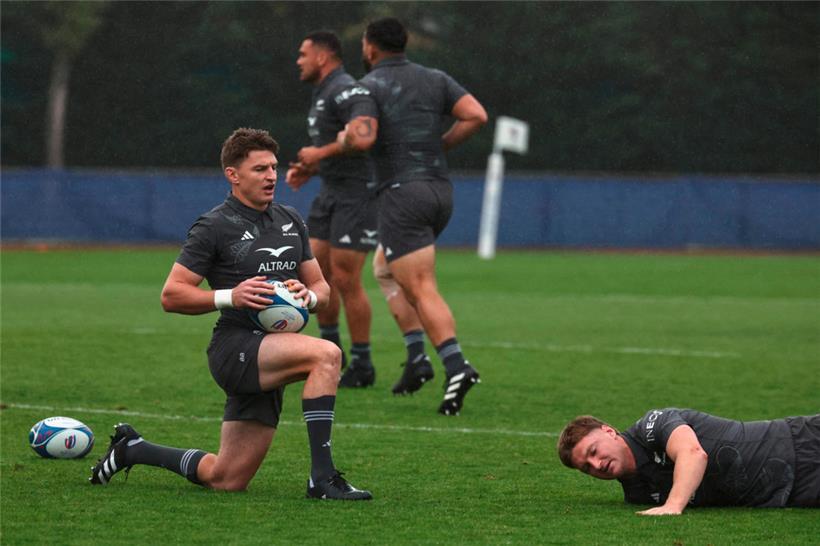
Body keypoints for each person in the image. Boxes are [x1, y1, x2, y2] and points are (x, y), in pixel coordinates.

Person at [89, 128, 371, 500]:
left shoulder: (290, 219)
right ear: (233, 175)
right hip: (235, 347)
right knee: (326, 354)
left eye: (273, 167)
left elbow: (322, 286)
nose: (271, 176)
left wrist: (312, 298)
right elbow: (171, 295)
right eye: (259, 169)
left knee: (226, 478)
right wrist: (230, 296)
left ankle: (134, 449)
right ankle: (323, 479)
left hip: (273, 349)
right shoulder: (213, 226)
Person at [337, 17, 489, 415]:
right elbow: (476, 115)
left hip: (402, 194)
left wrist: (346, 138)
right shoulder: (435, 78)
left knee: (420, 286)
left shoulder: (367, 86)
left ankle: (456, 365)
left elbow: (363, 135)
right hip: (439, 190)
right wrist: (440, 145)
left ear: (370, 48)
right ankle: (416, 357)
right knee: (385, 268)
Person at [288, 30, 432, 391]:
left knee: (346, 275)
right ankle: (332, 350)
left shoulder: (347, 90)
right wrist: (311, 168)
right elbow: (340, 147)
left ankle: (363, 362)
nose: (298, 61)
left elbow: (363, 138)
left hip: (358, 195)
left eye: (303, 54)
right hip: (331, 192)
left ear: (323, 57)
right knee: (315, 272)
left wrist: (317, 156)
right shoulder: (321, 93)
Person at [558, 408, 819, 514]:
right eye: (586, 468)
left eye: (593, 452)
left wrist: (673, 505)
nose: (597, 465)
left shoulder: (653, 424)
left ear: (608, 432)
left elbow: (693, 453)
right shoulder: (638, 495)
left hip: (799, 442)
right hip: (792, 491)